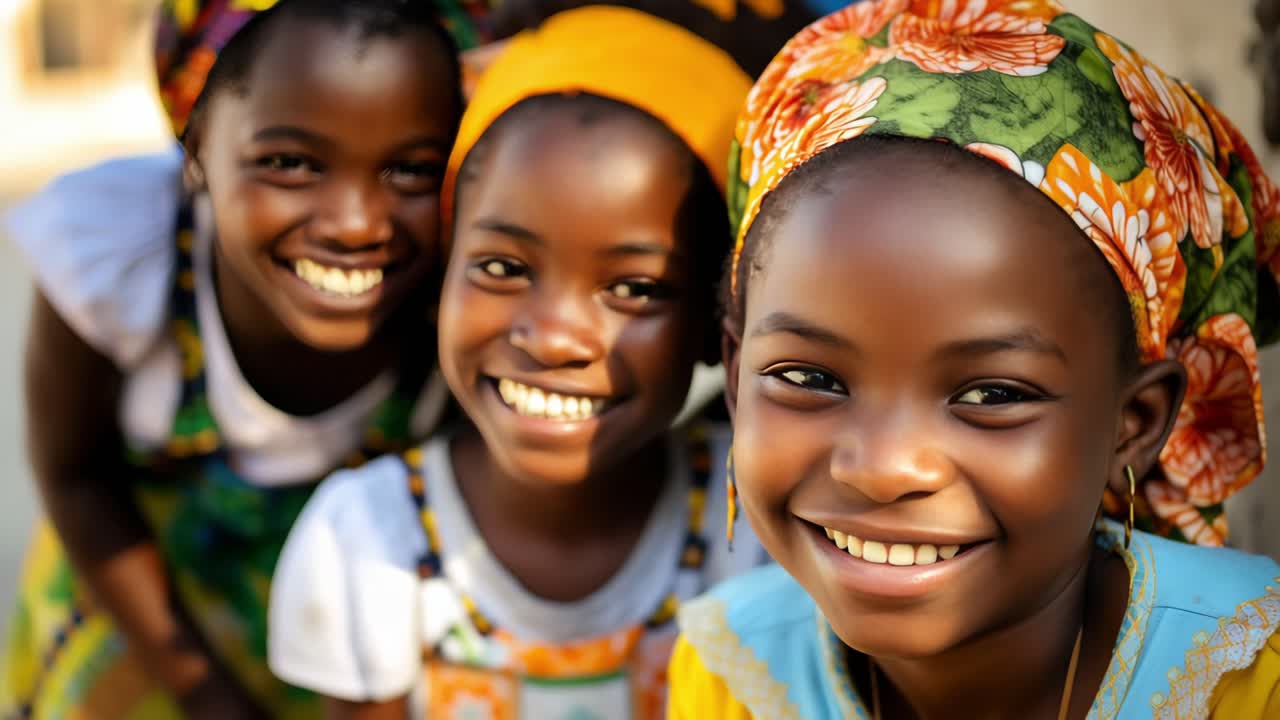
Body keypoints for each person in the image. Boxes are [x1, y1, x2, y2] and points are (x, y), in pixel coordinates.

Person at [668, 1, 1280, 717]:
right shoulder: (732, 668)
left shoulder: (1248, 680)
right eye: (809, 379)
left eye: (991, 395)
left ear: (1133, 423)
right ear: (737, 379)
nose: (885, 468)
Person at [267, 7, 765, 718]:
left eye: (635, 289)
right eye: (502, 267)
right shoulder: (371, 539)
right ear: (442, 273)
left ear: (713, 321)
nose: (556, 337)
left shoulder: (752, 529)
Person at [1, 1, 463, 717]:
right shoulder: (118, 255)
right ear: (194, 153)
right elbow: (75, 475)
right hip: (142, 612)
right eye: (289, 163)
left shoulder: (463, 293)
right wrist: (209, 698)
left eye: (411, 171)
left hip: (355, 634)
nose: (354, 224)